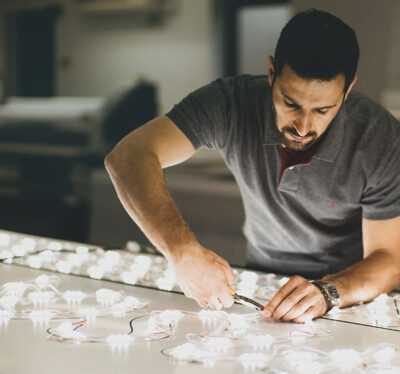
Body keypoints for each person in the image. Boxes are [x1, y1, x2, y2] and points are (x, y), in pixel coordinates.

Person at [105, 9, 400, 323]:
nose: (303, 126)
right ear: (271, 72)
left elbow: (389, 260)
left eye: (323, 110)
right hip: (262, 280)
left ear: (348, 89)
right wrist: (182, 251)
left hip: (349, 296)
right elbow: (129, 156)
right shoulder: (230, 103)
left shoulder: (379, 139)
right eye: (290, 103)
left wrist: (328, 291)